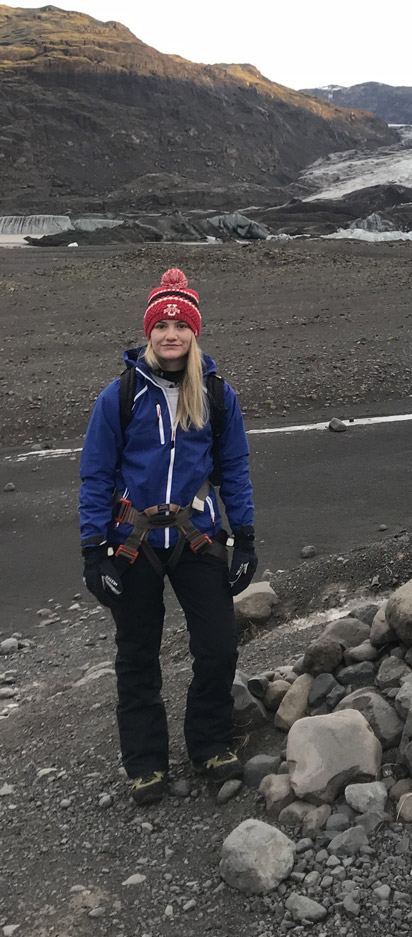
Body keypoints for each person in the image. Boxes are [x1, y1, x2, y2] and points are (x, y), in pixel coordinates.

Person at [78, 268, 258, 804]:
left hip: (197, 538)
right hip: (131, 545)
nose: (171, 333)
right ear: (149, 332)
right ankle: (146, 762)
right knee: (137, 656)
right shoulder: (120, 396)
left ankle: (208, 744)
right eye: (162, 324)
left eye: (181, 325)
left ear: (195, 333)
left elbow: (235, 468)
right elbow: (94, 475)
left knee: (219, 647)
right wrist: (93, 553)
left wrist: (244, 537)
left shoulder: (218, 395)